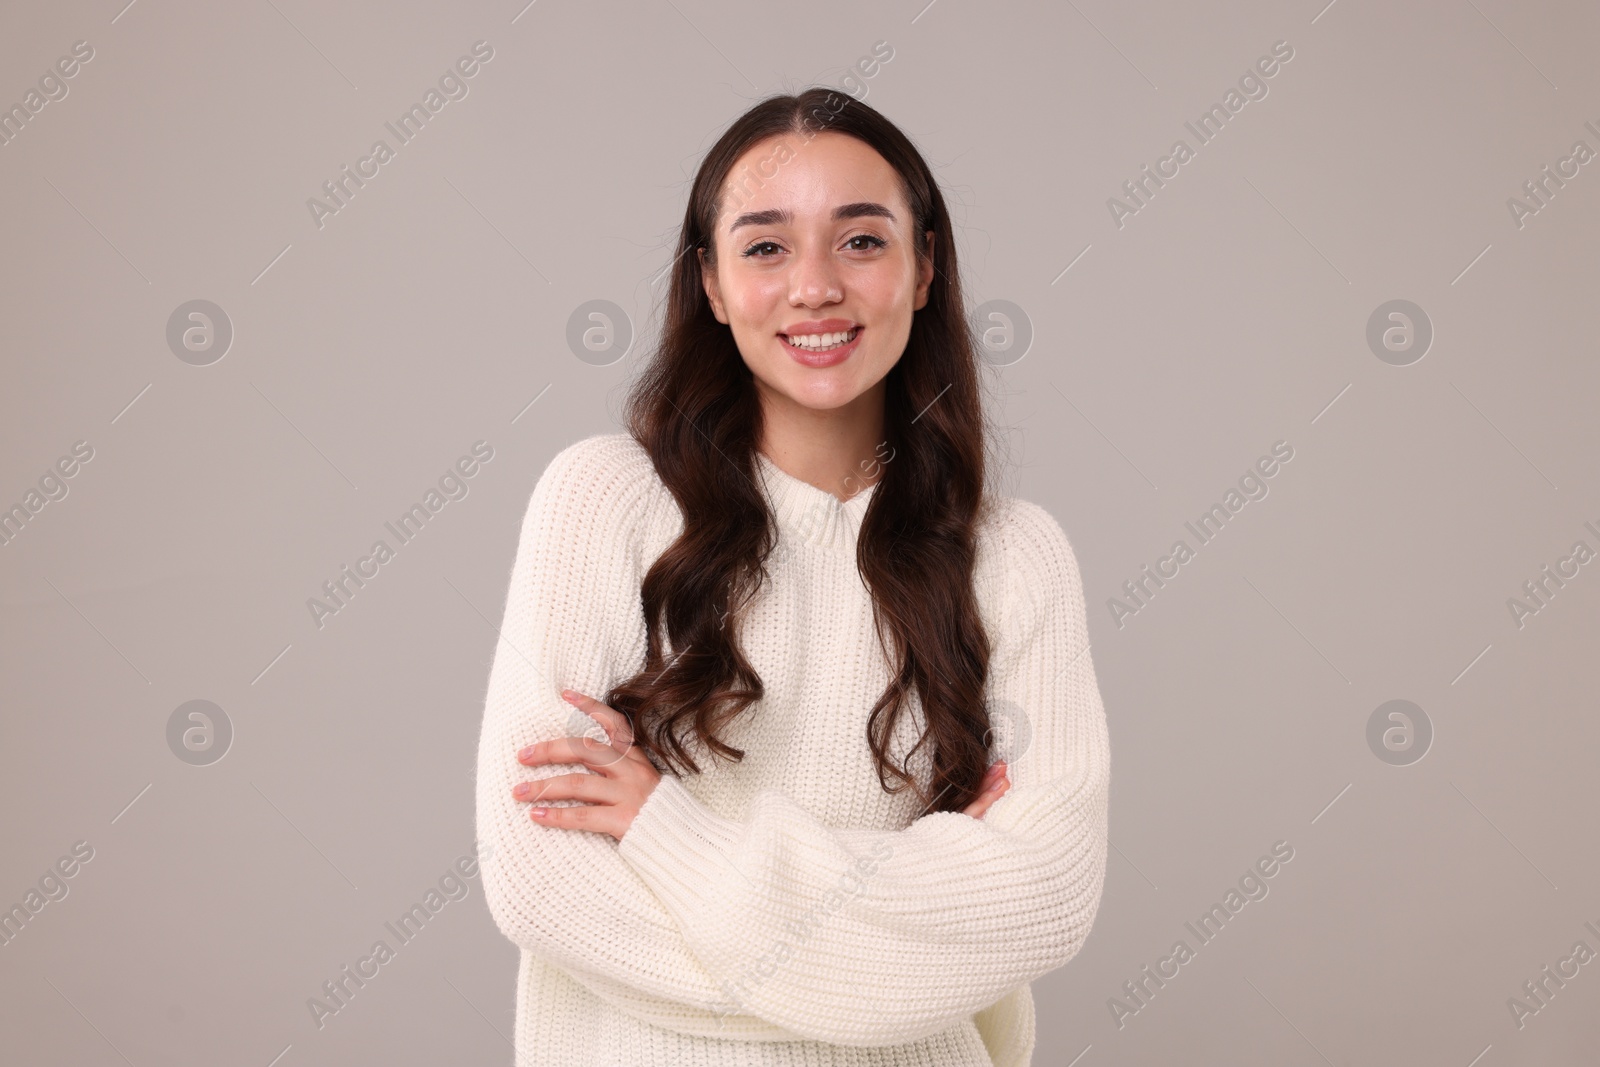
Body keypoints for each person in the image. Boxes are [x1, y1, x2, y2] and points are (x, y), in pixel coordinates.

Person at [473, 86, 1110, 1067]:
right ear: (713, 284)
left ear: (925, 265)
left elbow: (1045, 902)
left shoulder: (1015, 558)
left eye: (861, 240)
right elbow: (543, 884)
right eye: (766, 246)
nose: (815, 286)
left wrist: (664, 832)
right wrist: (907, 934)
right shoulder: (603, 502)